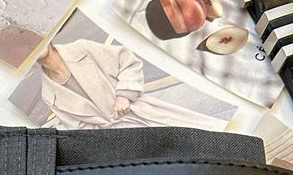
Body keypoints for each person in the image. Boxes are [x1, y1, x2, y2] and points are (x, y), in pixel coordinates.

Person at [36, 38, 223, 131]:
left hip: (141, 112)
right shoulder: (49, 94)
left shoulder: (81, 48)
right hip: (120, 140)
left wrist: (124, 95)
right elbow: (79, 129)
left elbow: (126, 60)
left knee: (204, 133)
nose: (35, 46)